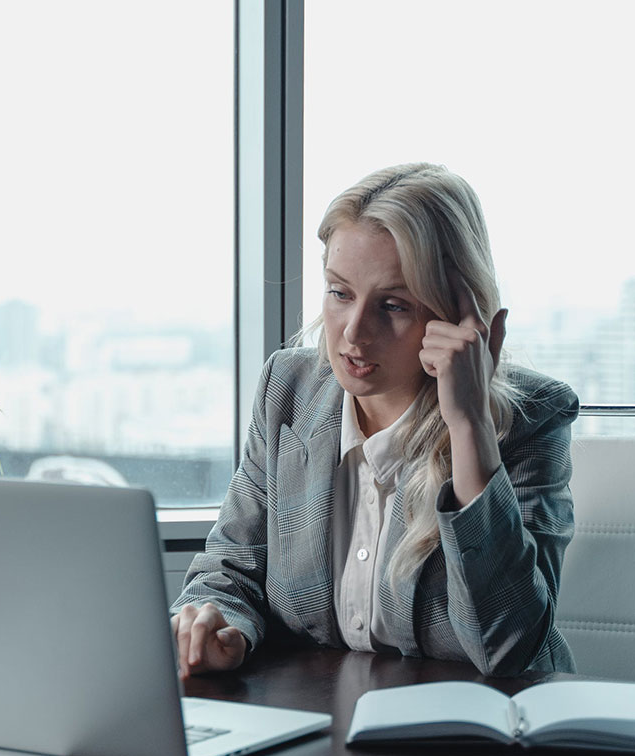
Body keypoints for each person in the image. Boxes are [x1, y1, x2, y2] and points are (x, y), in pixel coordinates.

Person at [171, 162, 579, 679]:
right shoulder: (289, 390)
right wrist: (216, 624)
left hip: (476, 743)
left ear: (457, 315)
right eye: (340, 293)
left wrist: (470, 426)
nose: (353, 335)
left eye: (393, 304)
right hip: (322, 727)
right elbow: (232, 570)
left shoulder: (529, 419)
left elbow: (511, 650)